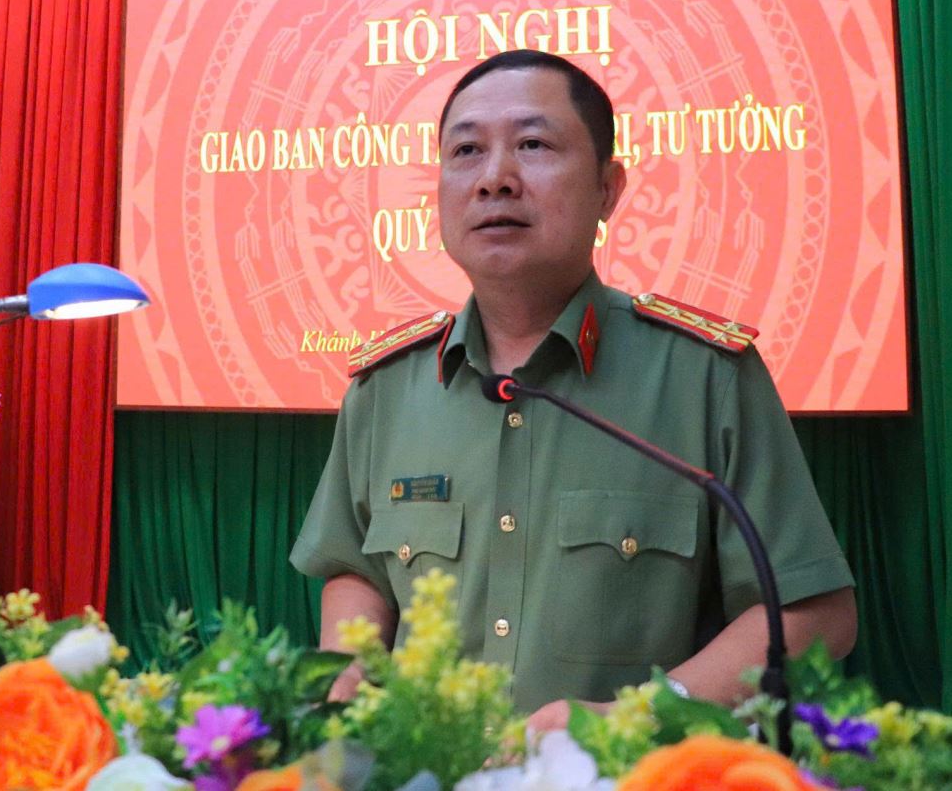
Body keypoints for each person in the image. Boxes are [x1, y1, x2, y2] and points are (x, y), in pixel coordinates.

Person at [289, 49, 856, 731]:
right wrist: (352, 671)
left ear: (608, 189)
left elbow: (813, 612)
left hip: (631, 772)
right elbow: (357, 571)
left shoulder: (703, 375)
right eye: (466, 150)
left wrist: (633, 719)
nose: (495, 179)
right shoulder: (386, 388)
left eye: (533, 145)